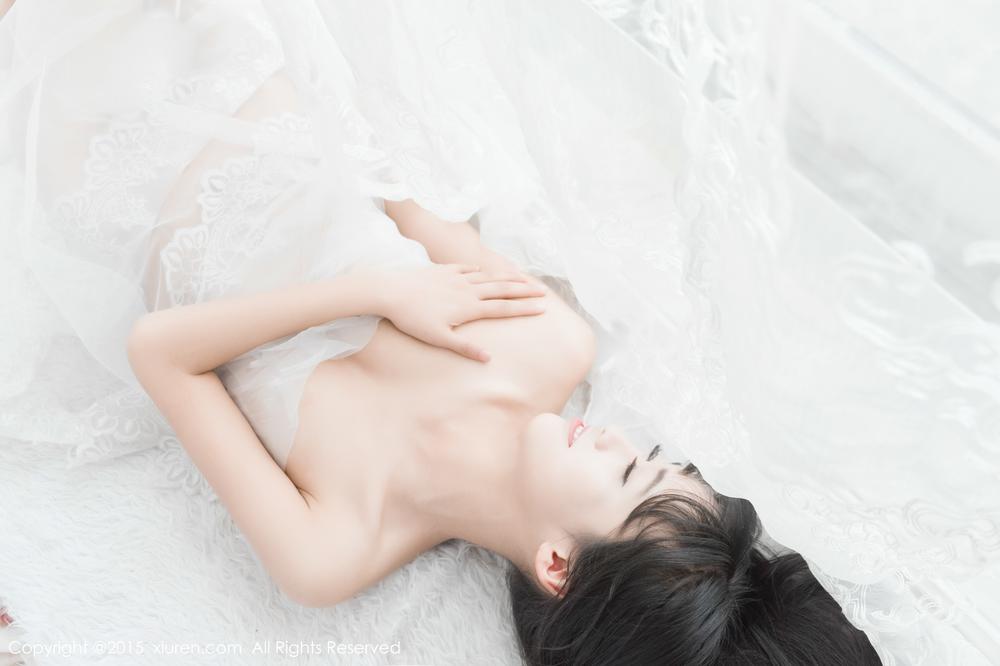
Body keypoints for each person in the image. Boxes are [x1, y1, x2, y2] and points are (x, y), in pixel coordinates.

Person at [128, 196, 881, 666]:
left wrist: (371, 293)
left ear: (559, 566)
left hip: (134, 204)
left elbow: (159, 351)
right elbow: (397, 185)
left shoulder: (333, 551)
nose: (616, 437)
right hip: (268, 88)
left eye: (625, 474)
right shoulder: (552, 342)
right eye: (650, 455)